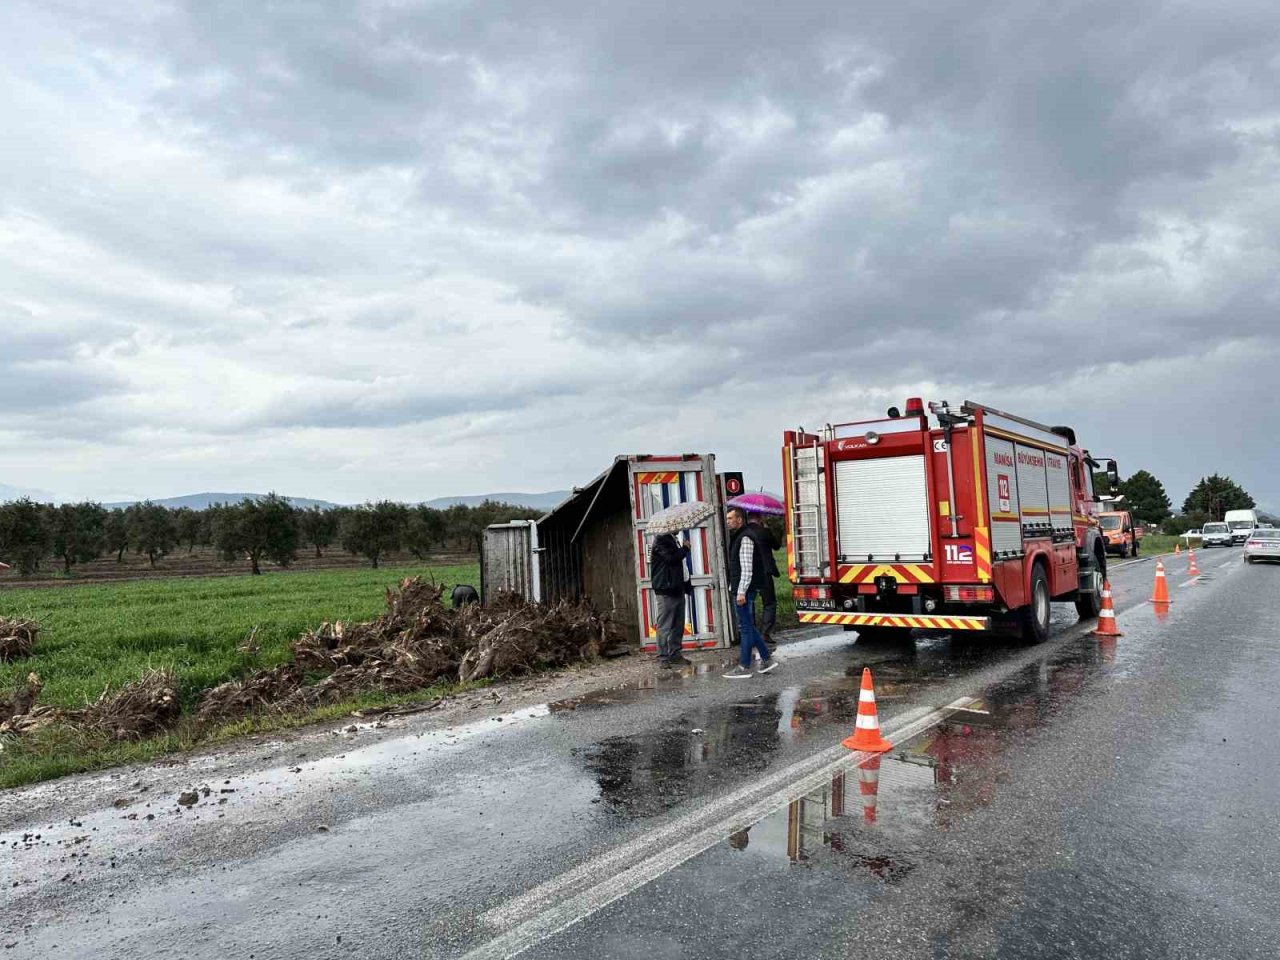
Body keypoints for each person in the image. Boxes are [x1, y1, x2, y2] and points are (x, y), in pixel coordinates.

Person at [723, 506, 778, 679]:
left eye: (731, 518)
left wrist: (741, 592)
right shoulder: (739, 536)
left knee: (745, 628)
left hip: (744, 590)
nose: (728, 521)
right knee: (748, 626)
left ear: (740, 520)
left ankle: (744, 666)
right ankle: (767, 659)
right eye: (727, 518)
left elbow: (747, 569)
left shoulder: (745, 538)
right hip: (742, 588)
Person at [648, 531, 693, 667]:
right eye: (676, 525)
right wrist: (685, 549)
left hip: (677, 587)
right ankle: (663, 657)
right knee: (665, 625)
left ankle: (675, 654)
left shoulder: (673, 539)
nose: (678, 527)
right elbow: (671, 559)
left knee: (678, 625)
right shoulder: (661, 540)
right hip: (666, 589)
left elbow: (681, 566)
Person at [747, 514, 782, 649]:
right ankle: (765, 633)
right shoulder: (764, 532)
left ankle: (750, 633)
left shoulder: (743, 532)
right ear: (760, 518)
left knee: (749, 602)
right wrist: (767, 528)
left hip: (748, 572)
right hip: (764, 573)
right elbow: (777, 546)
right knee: (769, 602)